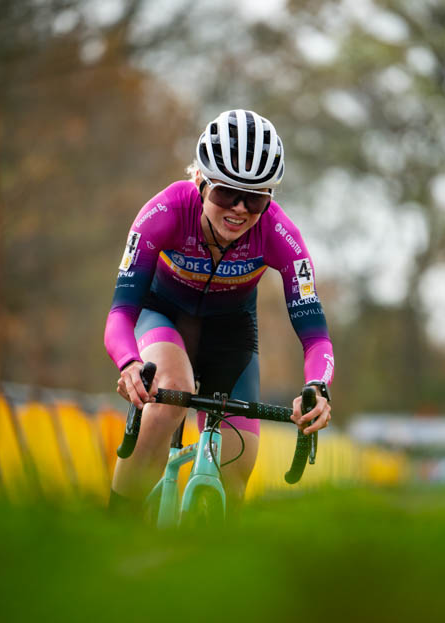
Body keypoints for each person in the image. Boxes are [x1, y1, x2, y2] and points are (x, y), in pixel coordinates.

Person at [104, 109, 334, 513]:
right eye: (227, 193)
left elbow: (316, 336)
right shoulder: (165, 212)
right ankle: (114, 527)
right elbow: (121, 314)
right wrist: (129, 363)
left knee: (236, 471)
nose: (241, 208)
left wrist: (317, 387)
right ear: (200, 182)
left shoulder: (282, 235)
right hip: (163, 315)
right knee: (174, 389)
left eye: (257, 197)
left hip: (231, 333)